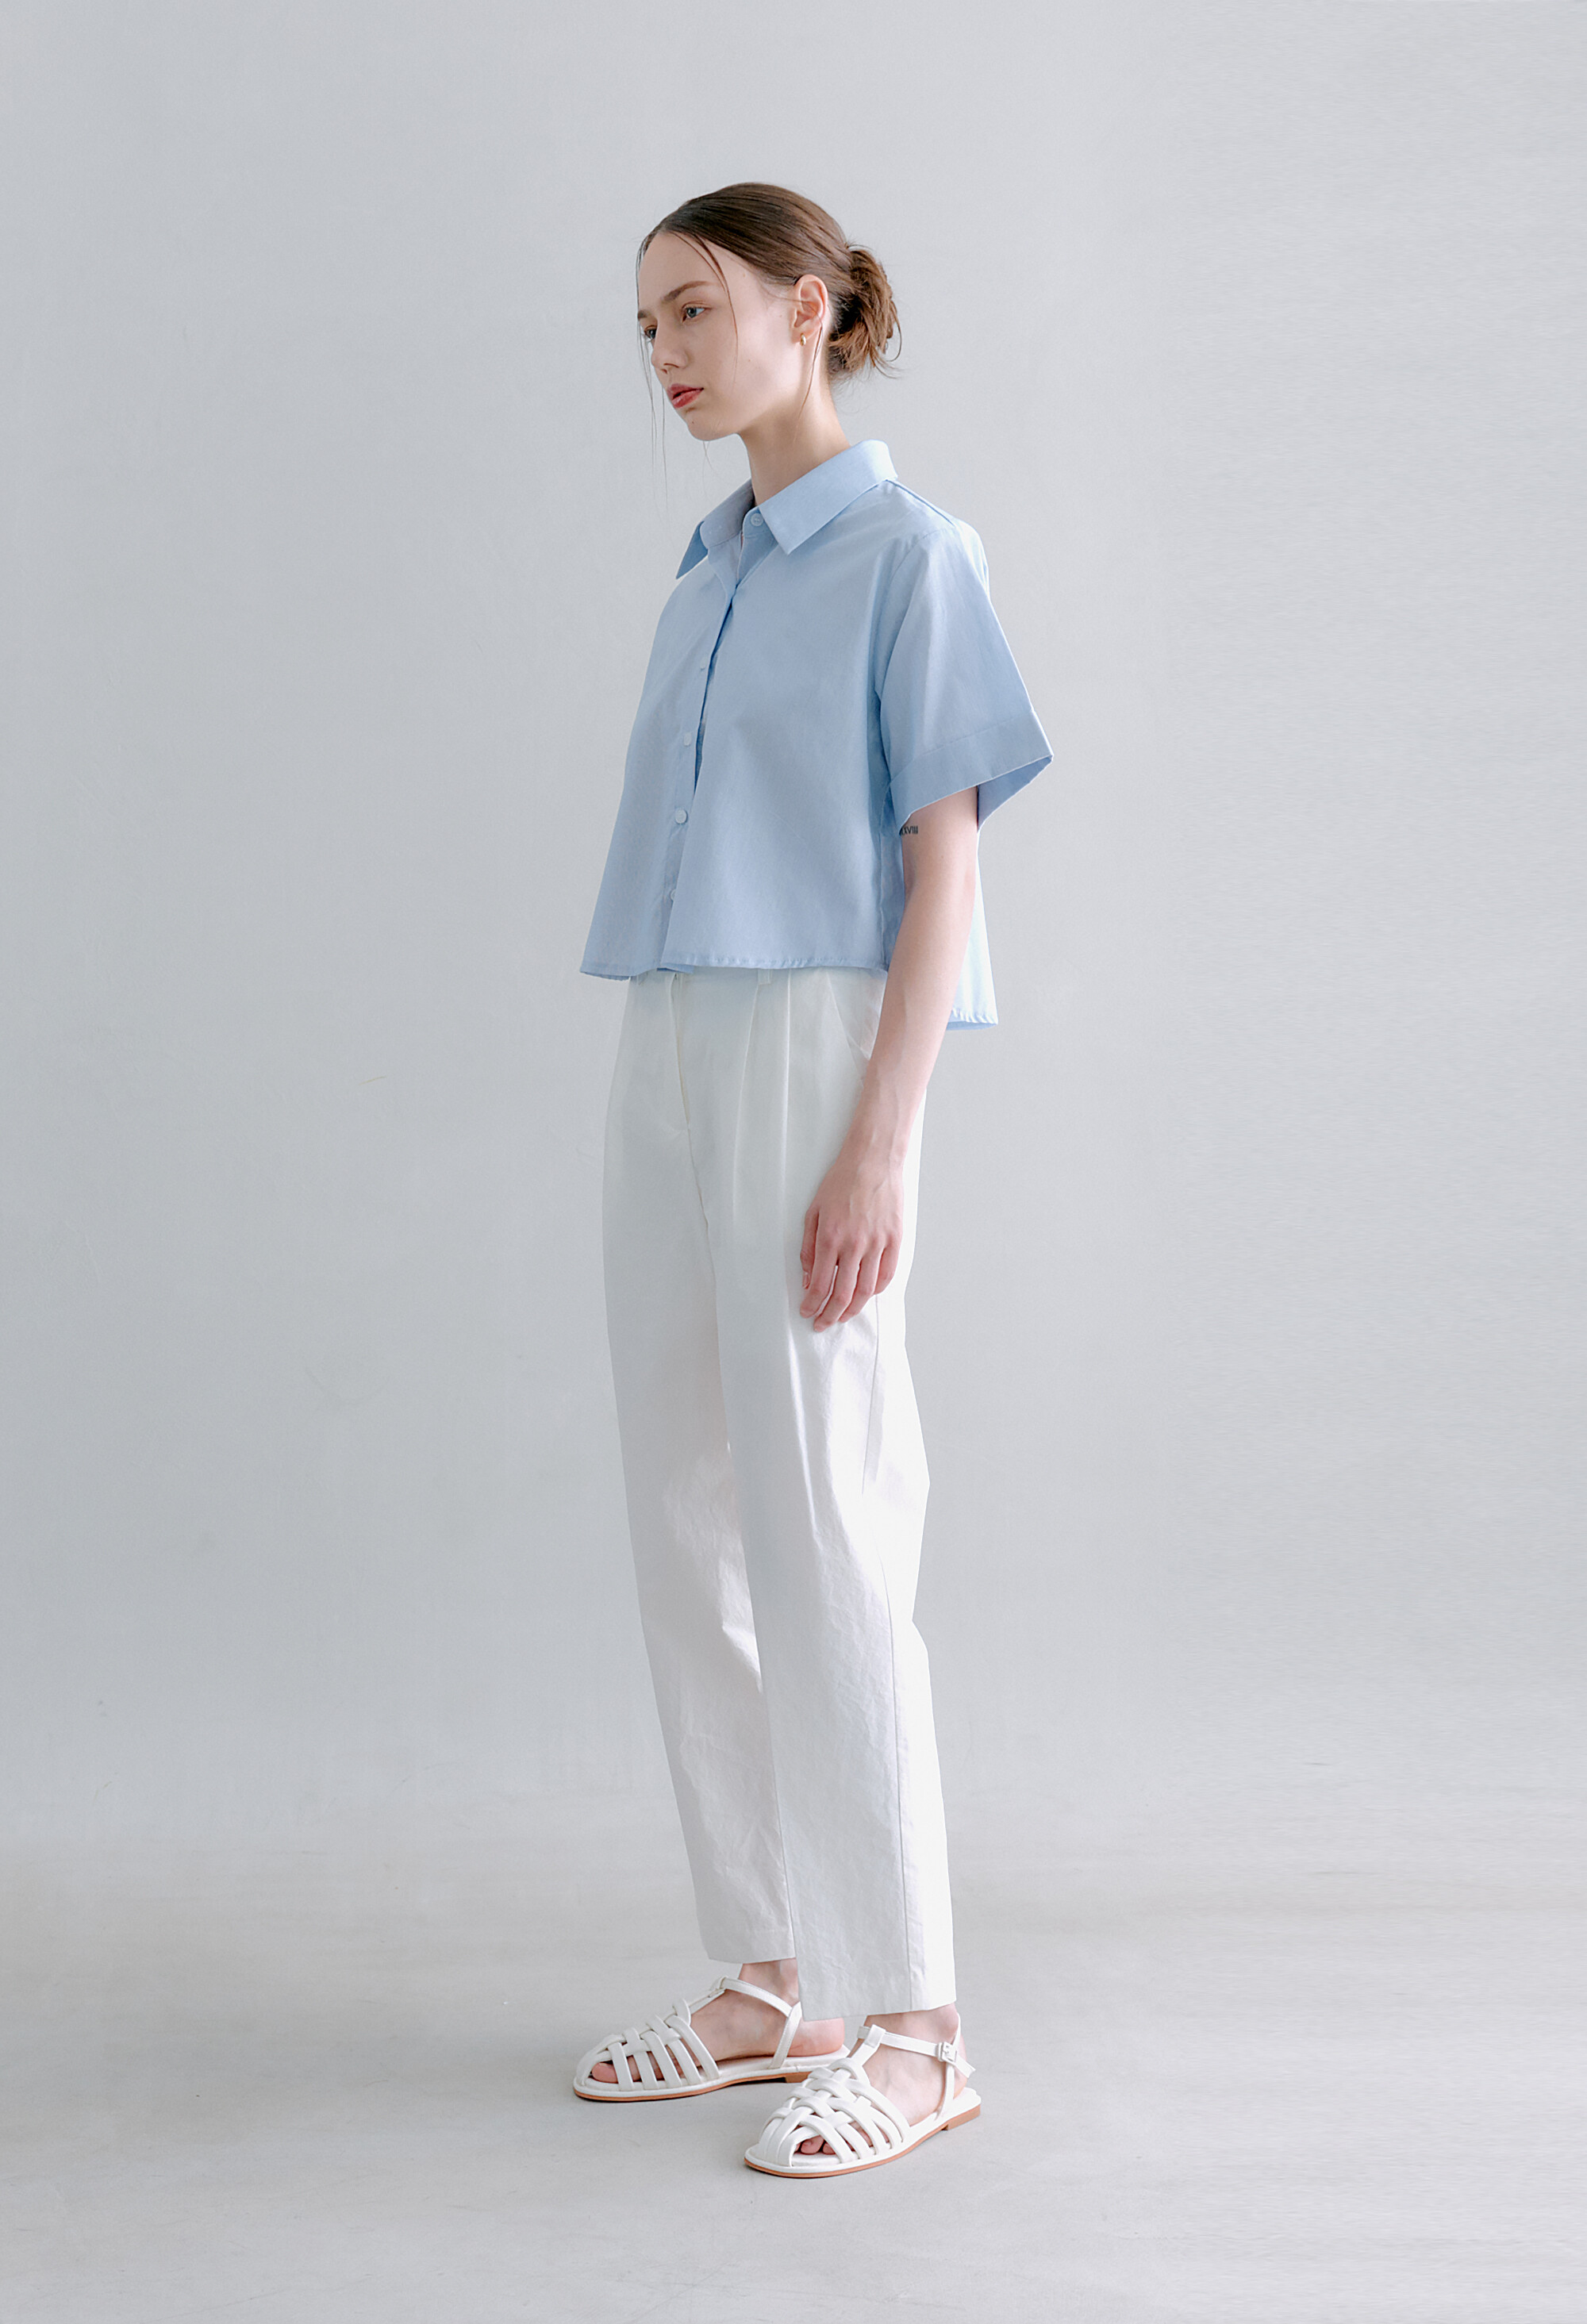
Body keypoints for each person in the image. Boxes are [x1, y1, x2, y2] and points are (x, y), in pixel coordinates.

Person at [572, 182, 1051, 2179]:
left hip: (811, 1041)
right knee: (686, 1511)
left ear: (810, 306)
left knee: (830, 1517)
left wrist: (880, 1134)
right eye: (647, 325)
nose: (667, 353)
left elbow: (945, 868)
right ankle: (779, 1973)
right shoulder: (705, 572)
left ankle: (919, 2025)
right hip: (670, 1037)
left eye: (696, 309)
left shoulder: (910, 557)